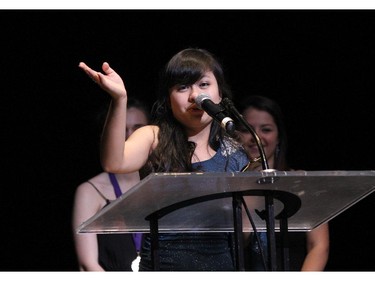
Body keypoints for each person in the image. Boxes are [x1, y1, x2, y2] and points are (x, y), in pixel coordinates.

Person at [78, 48, 250, 271]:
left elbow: (246, 231)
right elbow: (114, 162)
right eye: (183, 87)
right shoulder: (154, 137)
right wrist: (119, 99)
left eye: (204, 85)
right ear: (168, 99)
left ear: (220, 94)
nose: (195, 96)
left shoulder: (234, 152)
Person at [237, 95, 330, 271]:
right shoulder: (228, 187)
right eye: (246, 129)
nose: (256, 137)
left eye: (266, 129)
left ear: (279, 136)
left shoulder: (301, 183)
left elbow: (319, 247)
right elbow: (241, 241)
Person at [72, 97, 150, 271]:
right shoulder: (90, 191)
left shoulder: (161, 185)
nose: (130, 136)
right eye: (122, 130)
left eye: (138, 129)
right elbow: (88, 263)